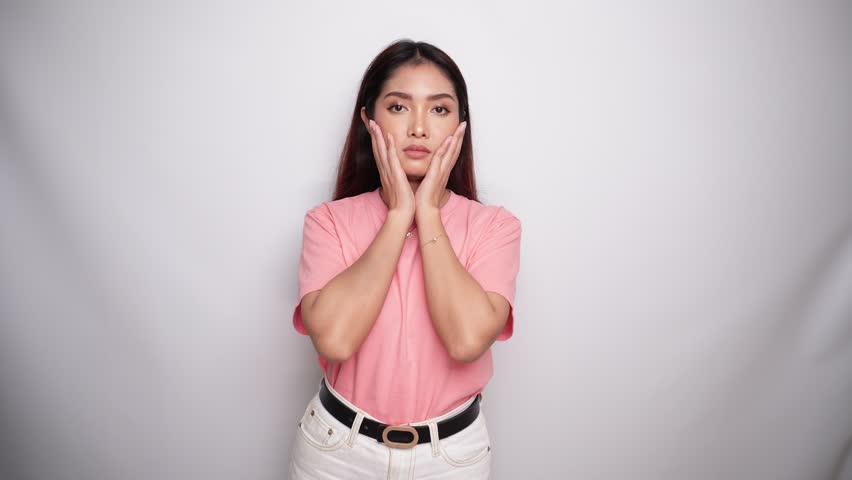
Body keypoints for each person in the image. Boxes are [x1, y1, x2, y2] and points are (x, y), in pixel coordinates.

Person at [288, 39, 522, 479]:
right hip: (336, 453)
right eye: (398, 107)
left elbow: (466, 341)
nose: (419, 128)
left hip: (452, 458)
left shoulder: (496, 227)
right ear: (368, 119)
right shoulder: (328, 222)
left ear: (460, 125)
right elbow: (335, 341)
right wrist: (398, 215)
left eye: (439, 110)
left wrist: (428, 211)